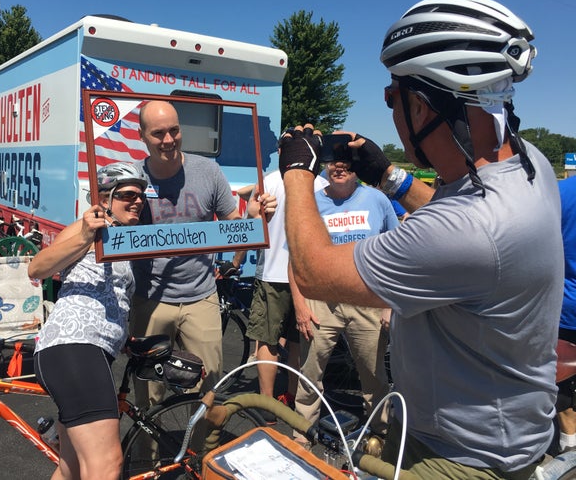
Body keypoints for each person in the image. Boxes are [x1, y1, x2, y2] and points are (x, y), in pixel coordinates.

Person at [278, 0, 563, 478]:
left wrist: (296, 171)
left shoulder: (469, 232)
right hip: (502, 435)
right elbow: (455, 219)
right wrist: (389, 177)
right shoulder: (530, 166)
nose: (389, 110)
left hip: (457, 456)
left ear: (423, 103)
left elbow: (313, 270)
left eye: (393, 97)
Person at [130, 100, 276, 408]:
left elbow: (232, 225)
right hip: (149, 299)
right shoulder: (133, 179)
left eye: (174, 130)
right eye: (158, 133)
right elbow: (114, 229)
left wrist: (252, 217)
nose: (168, 140)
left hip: (201, 297)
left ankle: (198, 455)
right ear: (142, 135)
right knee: (148, 394)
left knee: (206, 391)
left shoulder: (208, 171)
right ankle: (148, 458)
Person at [29, 163, 148, 480]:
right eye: (128, 195)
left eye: (141, 195)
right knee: (107, 464)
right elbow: (37, 268)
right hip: (74, 346)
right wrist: (84, 233)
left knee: (72, 467)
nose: (137, 201)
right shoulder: (85, 230)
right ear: (106, 198)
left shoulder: (123, 239)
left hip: (88, 352)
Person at [292, 147, 398, 442]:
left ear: (357, 167)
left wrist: (389, 304)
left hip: (368, 301)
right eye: (333, 162)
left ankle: (382, 436)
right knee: (310, 375)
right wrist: (300, 304)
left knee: (374, 377)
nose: (339, 167)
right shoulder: (312, 203)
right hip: (321, 303)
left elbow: (395, 253)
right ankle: (301, 436)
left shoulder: (377, 200)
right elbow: (296, 258)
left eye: (347, 163)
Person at [240, 167, 303, 421]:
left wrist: (235, 262)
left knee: (267, 340)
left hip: (272, 274)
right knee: (299, 341)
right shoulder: (318, 182)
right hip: (306, 275)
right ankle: (292, 397)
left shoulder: (269, 182)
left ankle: (267, 405)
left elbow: (250, 230)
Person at [557, 176, 576, 452]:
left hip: (562, 309)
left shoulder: (558, 192)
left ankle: (569, 444)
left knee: (560, 383)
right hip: (563, 310)